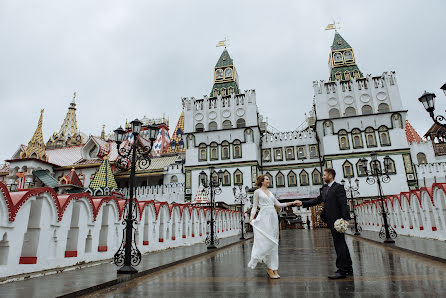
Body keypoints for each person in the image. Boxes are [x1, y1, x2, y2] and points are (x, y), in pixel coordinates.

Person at [296, 168, 353, 279]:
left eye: (324, 175)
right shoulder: (325, 189)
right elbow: (316, 200)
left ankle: (342, 270)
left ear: (330, 176)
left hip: (338, 221)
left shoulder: (338, 187)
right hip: (330, 220)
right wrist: (302, 203)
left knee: (339, 244)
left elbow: (343, 203)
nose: (323, 177)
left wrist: (346, 219)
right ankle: (348, 268)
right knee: (342, 244)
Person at [248, 175, 300, 279]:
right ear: (262, 181)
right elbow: (254, 206)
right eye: (267, 179)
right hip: (263, 216)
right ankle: (269, 267)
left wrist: (292, 202)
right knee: (267, 240)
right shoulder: (257, 192)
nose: (269, 181)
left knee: (274, 243)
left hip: (273, 217)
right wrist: (251, 218)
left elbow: (279, 205)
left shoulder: (271, 193)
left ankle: (273, 267)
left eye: (268, 179)